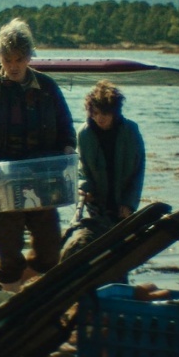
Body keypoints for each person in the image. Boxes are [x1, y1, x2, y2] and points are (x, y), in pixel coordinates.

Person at [0, 18, 76, 292]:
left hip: (42, 179)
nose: (13, 66)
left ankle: (16, 286)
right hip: (4, 181)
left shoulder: (48, 88)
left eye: (19, 59)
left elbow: (66, 127)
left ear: (29, 57)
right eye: (8, 59)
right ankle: (8, 300)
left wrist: (68, 149)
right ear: (0, 58)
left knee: (50, 254)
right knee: (8, 255)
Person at [60, 80, 145, 262]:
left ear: (115, 112)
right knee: (99, 248)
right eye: (95, 113)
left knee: (122, 251)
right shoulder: (84, 133)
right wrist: (84, 187)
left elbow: (138, 170)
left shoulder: (130, 130)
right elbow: (82, 168)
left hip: (123, 200)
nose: (100, 118)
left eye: (105, 113)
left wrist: (129, 203)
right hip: (96, 202)